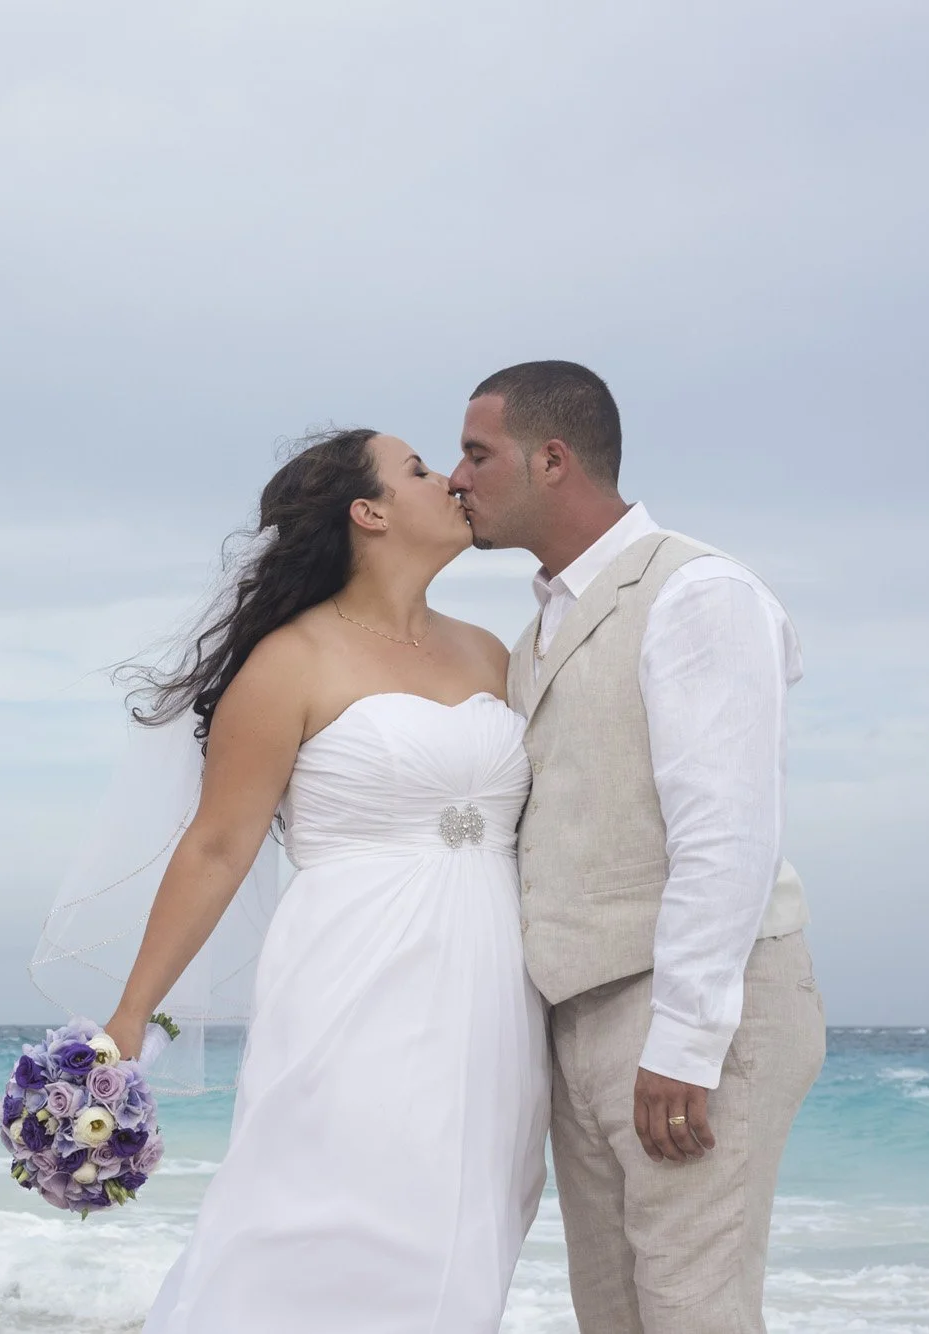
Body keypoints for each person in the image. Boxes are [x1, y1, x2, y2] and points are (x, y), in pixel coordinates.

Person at [102, 427, 550, 1332]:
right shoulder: (290, 662)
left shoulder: (492, 655)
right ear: (369, 511)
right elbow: (218, 848)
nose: (453, 483)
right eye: (421, 470)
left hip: (497, 993)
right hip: (354, 979)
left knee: (463, 1230)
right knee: (324, 1218)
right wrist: (130, 1014)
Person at [449, 360, 826, 1333]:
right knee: (611, 1312)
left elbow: (725, 827)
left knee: (691, 1309)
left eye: (476, 452)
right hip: (584, 1016)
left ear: (552, 458)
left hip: (686, 1005)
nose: (457, 477)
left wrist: (687, 1038)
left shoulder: (694, 590)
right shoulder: (537, 631)